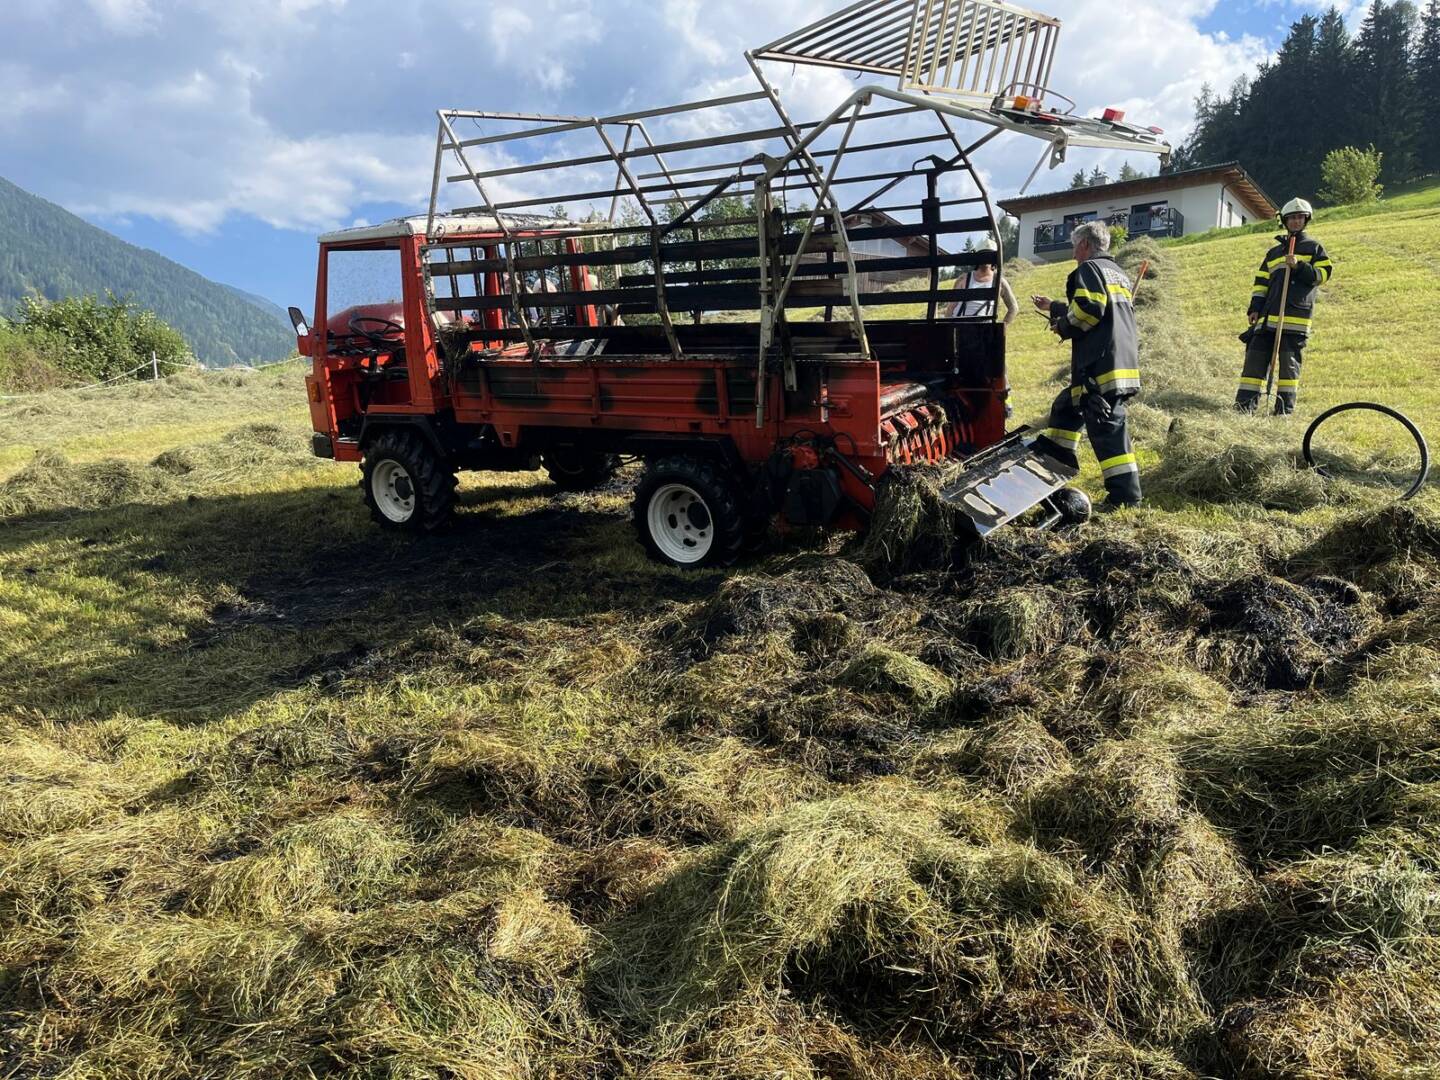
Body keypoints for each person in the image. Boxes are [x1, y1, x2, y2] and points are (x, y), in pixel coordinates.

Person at [1029, 221, 1142, 510]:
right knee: (1066, 407)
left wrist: (1063, 326)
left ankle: (1125, 498)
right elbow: (1096, 306)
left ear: (1084, 245)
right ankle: (1056, 464)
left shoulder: (1088, 269)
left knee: (1107, 426)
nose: (1073, 255)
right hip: (1117, 359)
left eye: (1074, 248)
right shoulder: (1117, 272)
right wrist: (1053, 307)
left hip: (1100, 364)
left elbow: (1089, 309)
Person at [1235, 198, 1333, 415]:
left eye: (1300, 218)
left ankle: (1283, 413)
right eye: (1292, 218)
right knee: (1254, 364)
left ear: (1306, 220)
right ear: (1285, 221)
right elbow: (1261, 283)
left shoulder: (1314, 248)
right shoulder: (1273, 254)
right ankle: (1244, 409)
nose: (1296, 222)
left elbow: (1322, 275)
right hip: (1267, 320)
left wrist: (1299, 266)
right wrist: (1255, 308)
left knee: (1289, 370)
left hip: (1294, 322)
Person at [949, 237, 1018, 323]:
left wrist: (1001, 329)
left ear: (994, 258)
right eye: (983, 254)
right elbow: (951, 307)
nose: (986, 258)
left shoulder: (999, 281)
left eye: (989, 255)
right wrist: (948, 330)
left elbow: (1013, 307)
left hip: (984, 332)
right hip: (959, 329)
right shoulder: (964, 279)